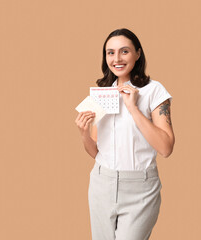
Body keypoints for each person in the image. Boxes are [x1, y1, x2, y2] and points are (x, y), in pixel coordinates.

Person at [75, 28, 175, 240]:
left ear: (138, 54)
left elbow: (166, 147)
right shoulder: (102, 93)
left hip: (141, 189)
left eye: (124, 51)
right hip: (101, 184)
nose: (117, 58)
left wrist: (133, 109)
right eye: (110, 53)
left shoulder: (154, 91)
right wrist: (84, 133)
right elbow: (96, 152)